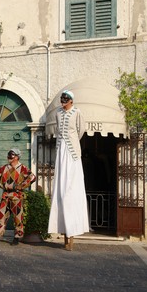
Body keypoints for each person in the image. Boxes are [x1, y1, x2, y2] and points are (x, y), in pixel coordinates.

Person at [47, 90, 89, 251]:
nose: (63, 102)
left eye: (66, 99)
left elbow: (80, 131)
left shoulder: (77, 112)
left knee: (72, 189)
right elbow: (58, 130)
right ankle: (64, 232)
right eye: (62, 99)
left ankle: (73, 232)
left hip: (72, 151)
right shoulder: (58, 113)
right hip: (60, 149)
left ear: (71, 100)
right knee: (61, 189)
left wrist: (72, 142)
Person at [0, 148, 36, 246]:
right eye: (8, 154)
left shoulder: (23, 168)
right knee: (1, 216)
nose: (9, 157)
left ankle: (17, 237)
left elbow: (32, 177)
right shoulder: (4, 168)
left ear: (17, 157)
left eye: (11, 155)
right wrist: (2, 185)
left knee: (18, 218)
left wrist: (20, 186)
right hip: (5, 196)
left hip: (16, 197)